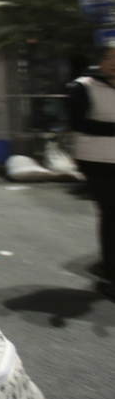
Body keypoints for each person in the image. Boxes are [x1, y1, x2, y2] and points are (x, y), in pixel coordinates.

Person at [66, 42, 115, 301]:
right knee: (111, 213)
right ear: (101, 60)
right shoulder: (82, 87)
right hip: (96, 160)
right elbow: (78, 123)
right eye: (111, 58)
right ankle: (110, 273)